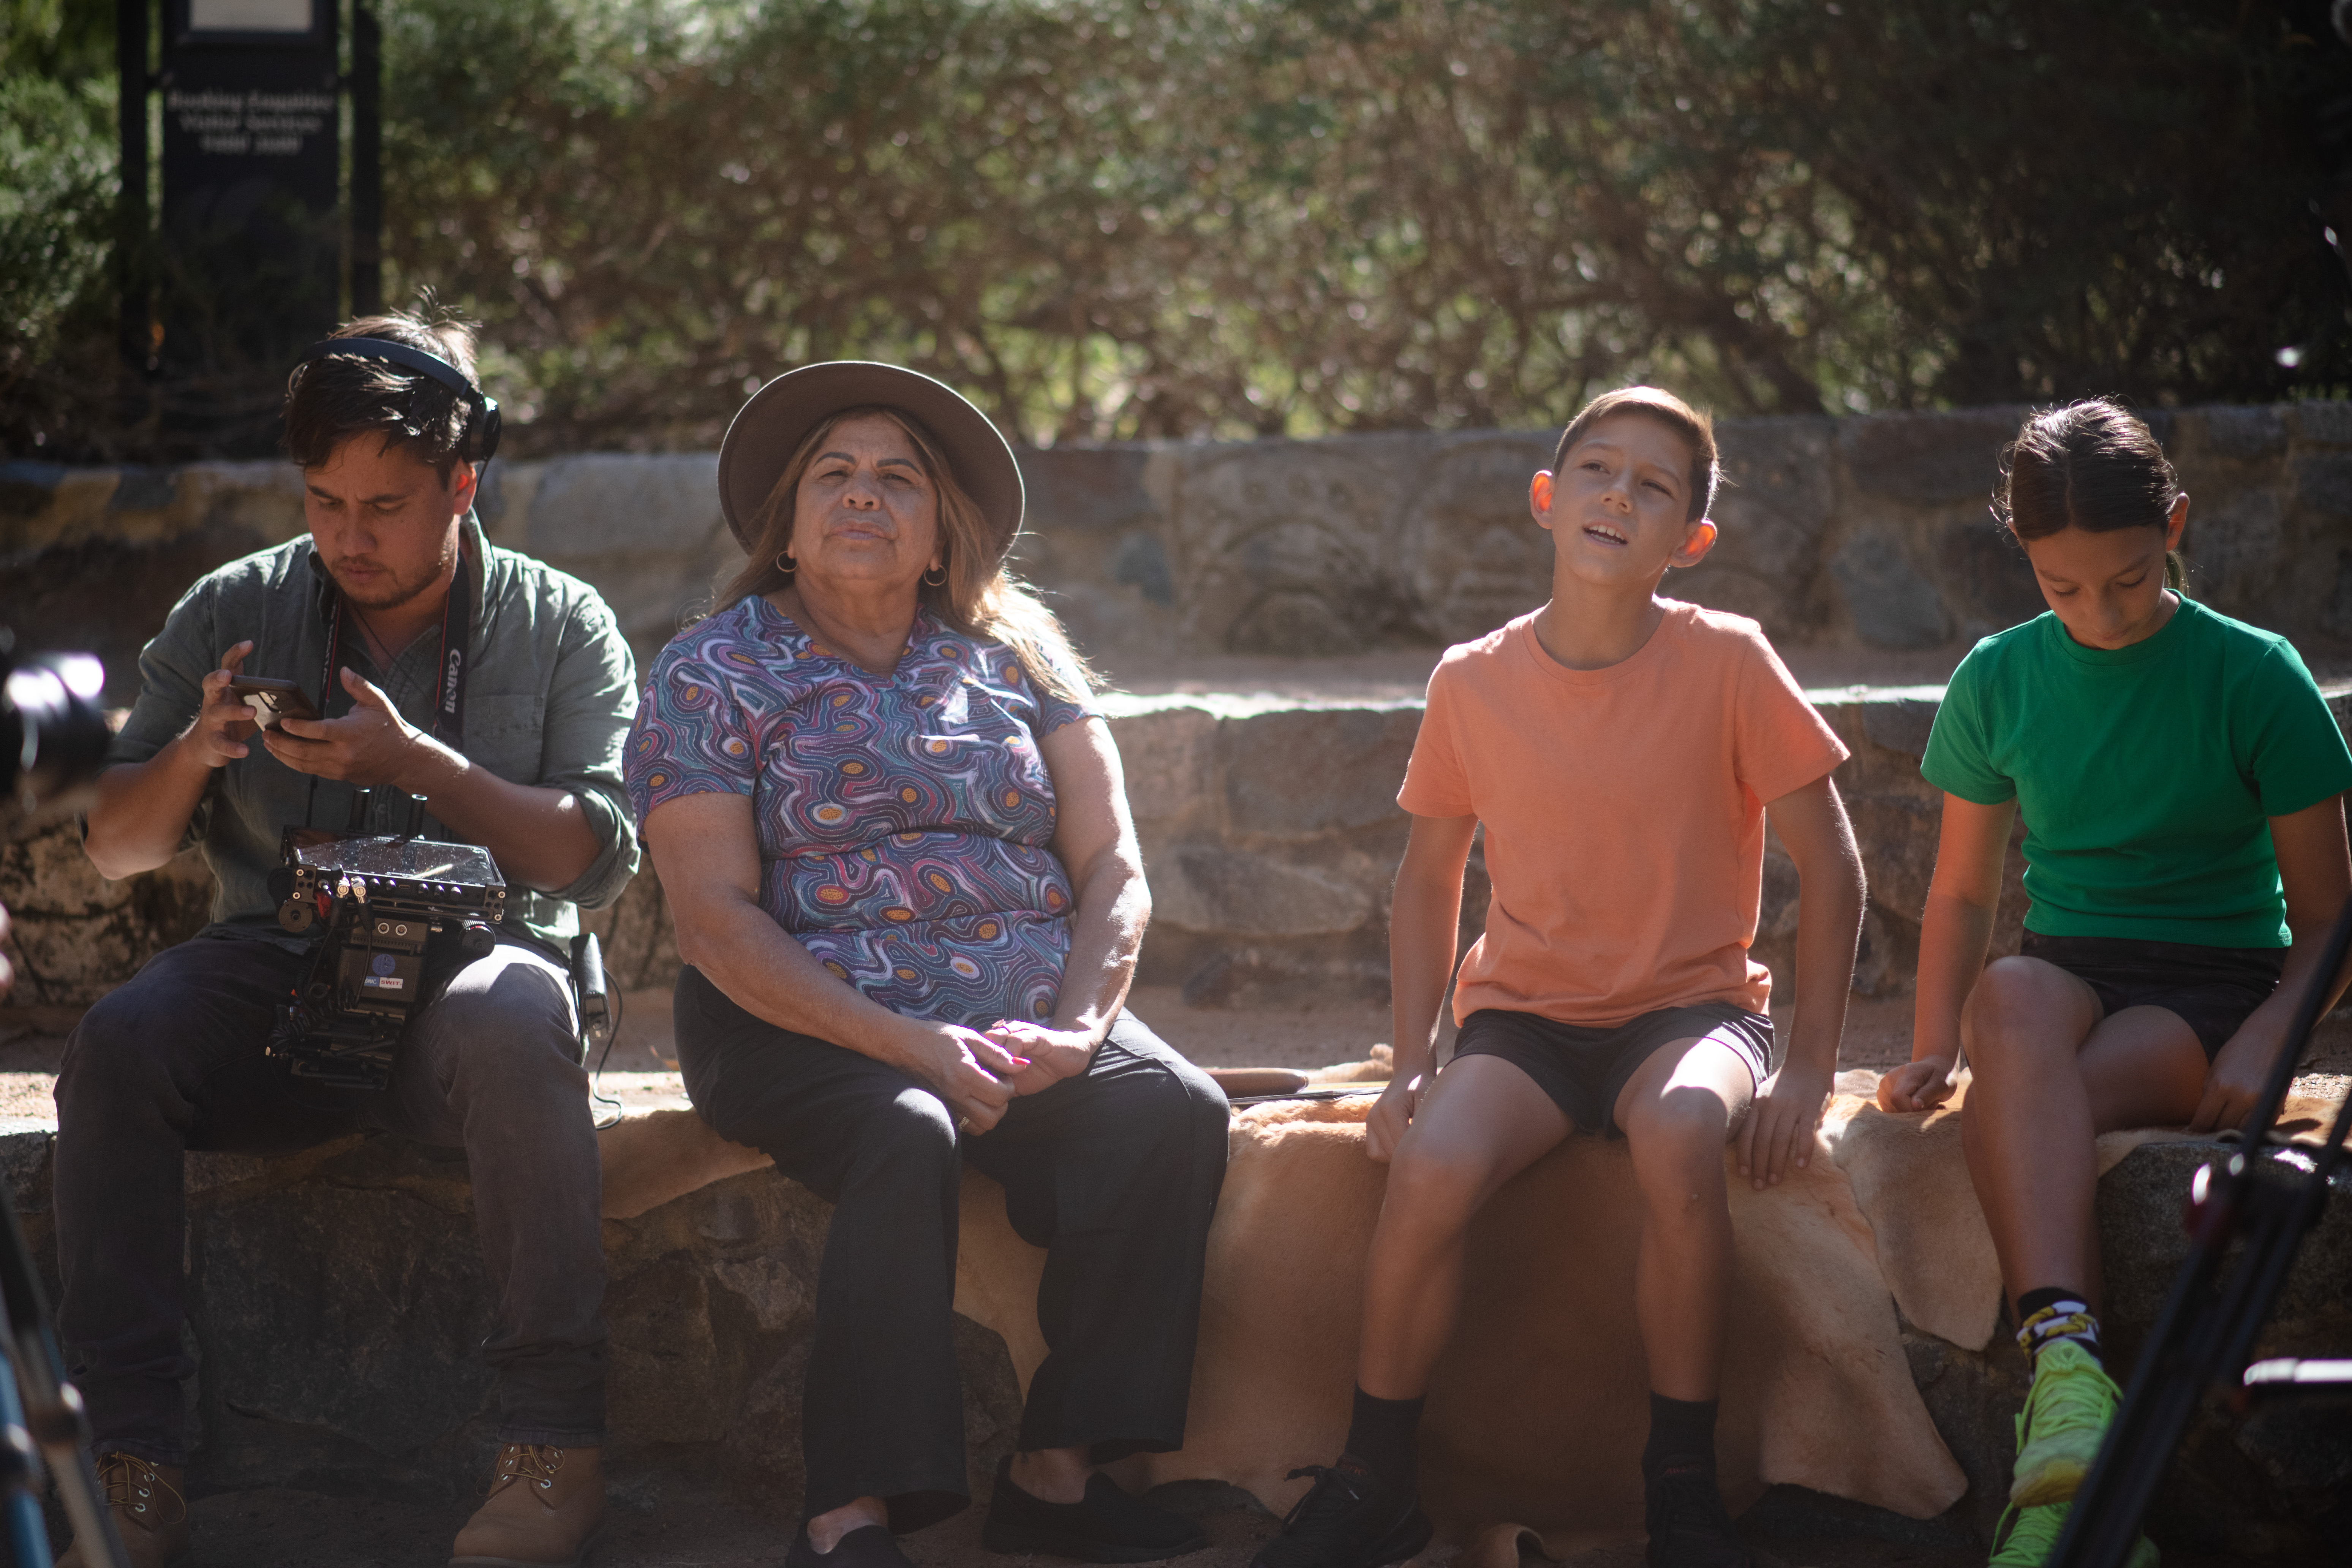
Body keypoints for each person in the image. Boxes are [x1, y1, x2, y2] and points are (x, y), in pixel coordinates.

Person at [57, 310, 640, 1568]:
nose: (348, 538)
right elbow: (114, 845)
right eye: (324, 501)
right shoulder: (237, 606)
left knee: (513, 1010)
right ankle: (130, 1453)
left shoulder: (563, 622)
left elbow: (591, 863)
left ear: (462, 483)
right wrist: (196, 752)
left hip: (471, 990)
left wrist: (421, 766)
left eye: (384, 505)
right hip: (277, 972)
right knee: (117, 1042)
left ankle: (557, 1449)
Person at [626, 361, 1230, 1568]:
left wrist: (1080, 1027)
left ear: (942, 531)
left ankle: (1056, 1480)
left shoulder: (1021, 662)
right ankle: (848, 1518)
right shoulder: (712, 671)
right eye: (833, 476)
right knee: (909, 1125)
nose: (864, 495)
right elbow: (714, 922)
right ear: (786, 529)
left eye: (897, 477)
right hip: (795, 1019)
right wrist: (914, 1046)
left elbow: (1113, 866)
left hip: (1018, 1012)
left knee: (1171, 1108)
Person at [1255, 387, 1865, 1568]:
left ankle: (1681, 1489)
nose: (1618, 497)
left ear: (1690, 541)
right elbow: (1429, 883)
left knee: (1684, 1130)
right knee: (1428, 1166)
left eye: (1655, 488)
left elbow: (1831, 863)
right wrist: (1413, 1062)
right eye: (1597, 469)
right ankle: (1373, 1476)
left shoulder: (1730, 661)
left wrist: (1814, 1067)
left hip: (1690, 1014)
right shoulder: (1471, 680)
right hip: (1525, 1023)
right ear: (1547, 498)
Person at [1875, 398, 2352, 1567]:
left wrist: (2275, 1035)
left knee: (2021, 1111)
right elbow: (1960, 896)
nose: (2099, 610)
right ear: (2026, 565)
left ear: (2178, 527)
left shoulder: (2257, 675)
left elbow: (2336, 919)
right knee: (2009, 1002)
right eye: (2063, 589)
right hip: (2070, 970)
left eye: (2129, 581)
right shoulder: (1997, 679)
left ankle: (2063, 1500)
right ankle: (2072, 1374)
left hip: (2214, 985)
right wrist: (1935, 1037)